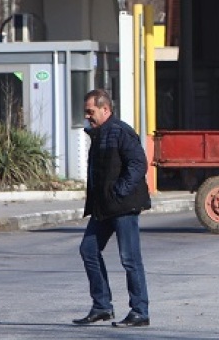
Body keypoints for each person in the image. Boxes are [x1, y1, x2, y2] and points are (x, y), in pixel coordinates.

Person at [74, 89, 153, 328]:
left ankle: (139, 311)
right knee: (88, 250)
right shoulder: (98, 135)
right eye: (86, 112)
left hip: (123, 206)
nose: (87, 116)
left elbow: (139, 164)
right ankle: (102, 306)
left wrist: (120, 191)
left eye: (91, 111)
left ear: (105, 109)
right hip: (103, 207)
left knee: (130, 259)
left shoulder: (120, 132)